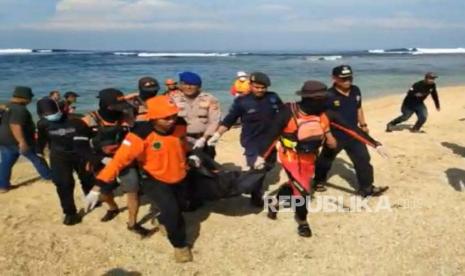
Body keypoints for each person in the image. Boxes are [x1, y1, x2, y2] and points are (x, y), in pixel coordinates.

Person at [258, 80, 387, 237]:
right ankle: (303, 223)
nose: (327, 100)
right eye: (323, 98)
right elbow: (271, 136)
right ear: (310, 99)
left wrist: (375, 144)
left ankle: (274, 203)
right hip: (290, 157)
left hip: (310, 156)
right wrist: (261, 157)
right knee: (303, 190)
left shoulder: (326, 113)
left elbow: (351, 129)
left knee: (296, 185)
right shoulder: (288, 112)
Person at [84, 95, 194, 263]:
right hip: (155, 179)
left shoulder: (181, 124)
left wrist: (192, 155)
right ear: (154, 118)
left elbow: (180, 144)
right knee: (174, 213)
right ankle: (179, 246)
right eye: (166, 118)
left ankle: (163, 219)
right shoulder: (140, 134)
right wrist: (97, 186)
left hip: (180, 176)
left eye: (174, 115)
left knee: (181, 207)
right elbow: (118, 161)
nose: (172, 120)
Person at [80, 88, 150, 237]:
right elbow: (81, 146)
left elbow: (148, 114)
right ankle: (112, 208)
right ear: (106, 106)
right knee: (104, 193)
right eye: (117, 107)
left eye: (122, 105)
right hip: (101, 161)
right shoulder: (87, 121)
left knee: (133, 191)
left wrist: (138, 98)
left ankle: (132, 223)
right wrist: (93, 160)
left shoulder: (127, 116)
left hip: (125, 159)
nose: (121, 110)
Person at [207, 72, 283, 206]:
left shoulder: (273, 97)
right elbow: (229, 120)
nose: (260, 90)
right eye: (257, 87)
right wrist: (217, 135)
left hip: (271, 140)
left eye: (263, 87)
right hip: (251, 141)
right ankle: (255, 195)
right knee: (257, 167)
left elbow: (283, 114)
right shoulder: (242, 101)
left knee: (268, 166)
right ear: (251, 85)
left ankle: (252, 182)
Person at [313, 65, 388, 197]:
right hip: (335, 135)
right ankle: (318, 181)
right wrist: (328, 136)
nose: (347, 81)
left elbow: (358, 108)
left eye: (350, 78)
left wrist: (363, 124)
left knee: (363, 159)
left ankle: (366, 188)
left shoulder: (356, 90)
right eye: (343, 79)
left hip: (355, 133)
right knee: (325, 160)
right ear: (334, 78)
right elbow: (322, 118)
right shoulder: (328, 96)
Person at [36, 98, 93, 225]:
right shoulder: (42, 124)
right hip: (59, 156)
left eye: (52, 112)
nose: (49, 116)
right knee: (64, 184)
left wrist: (90, 156)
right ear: (41, 114)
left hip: (80, 153)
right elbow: (42, 140)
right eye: (46, 114)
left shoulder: (75, 120)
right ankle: (70, 213)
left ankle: (91, 198)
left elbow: (88, 137)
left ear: (58, 109)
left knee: (87, 178)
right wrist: (39, 152)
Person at [0, 87, 51, 193]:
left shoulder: (7, 107)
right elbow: (15, 125)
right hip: (18, 141)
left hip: (5, 140)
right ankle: (49, 177)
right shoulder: (20, 110)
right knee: (37, 158)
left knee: (6, 163)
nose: (30, 100)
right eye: (29, 98)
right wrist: (22, 142)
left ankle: (3, 186)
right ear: (24, 98)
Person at [170, 71, 221, 159]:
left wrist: (204, 138)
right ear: (181, 85)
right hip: (181, 140)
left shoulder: (209, 99)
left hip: (204, 139)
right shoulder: (173, 100)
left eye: (192, 84)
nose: (188, 87)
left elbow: (215, 121)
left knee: (207, 168)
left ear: (199, 86)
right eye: (185, 84)